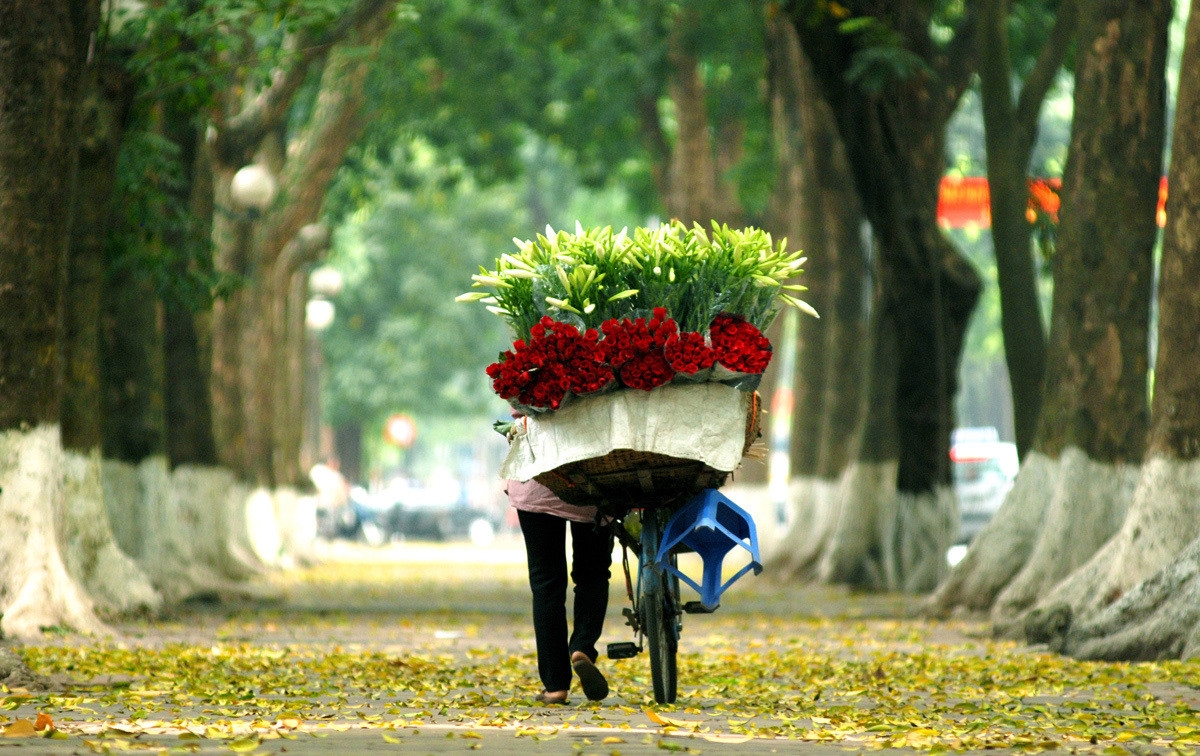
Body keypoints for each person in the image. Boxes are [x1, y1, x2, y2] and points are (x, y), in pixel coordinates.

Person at [507, 478, 613, 704]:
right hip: (592, 484)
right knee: (592, 574)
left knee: (546, 584)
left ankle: (555, 687)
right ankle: (582, 647)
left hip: (537, 485)